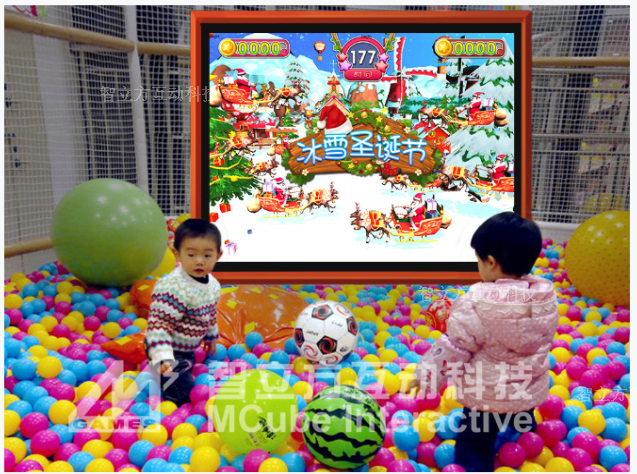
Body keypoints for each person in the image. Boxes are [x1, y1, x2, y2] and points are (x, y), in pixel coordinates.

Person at [410, 212, 558, 472]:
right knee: (520, 413)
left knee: (473, 446)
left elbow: (452, 350)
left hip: (487, 398)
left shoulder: (475, 305)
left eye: (478, 259)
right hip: (527, 389)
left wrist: (426, 378)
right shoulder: (544, 298)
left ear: (490, 262)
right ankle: (524, 431)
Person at [145, 219, 223, 406]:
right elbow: (159, 325)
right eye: (191, 254)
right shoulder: (174, 287)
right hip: (166, 345)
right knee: (181, 388)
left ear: (218, 255)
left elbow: (210, 314)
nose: (199, 261)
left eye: (207, 255)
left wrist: (211, 338)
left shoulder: (213, 285)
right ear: (177, 254)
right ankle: (173, 403)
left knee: (188, 364)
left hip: (186, 347)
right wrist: (162, 355)